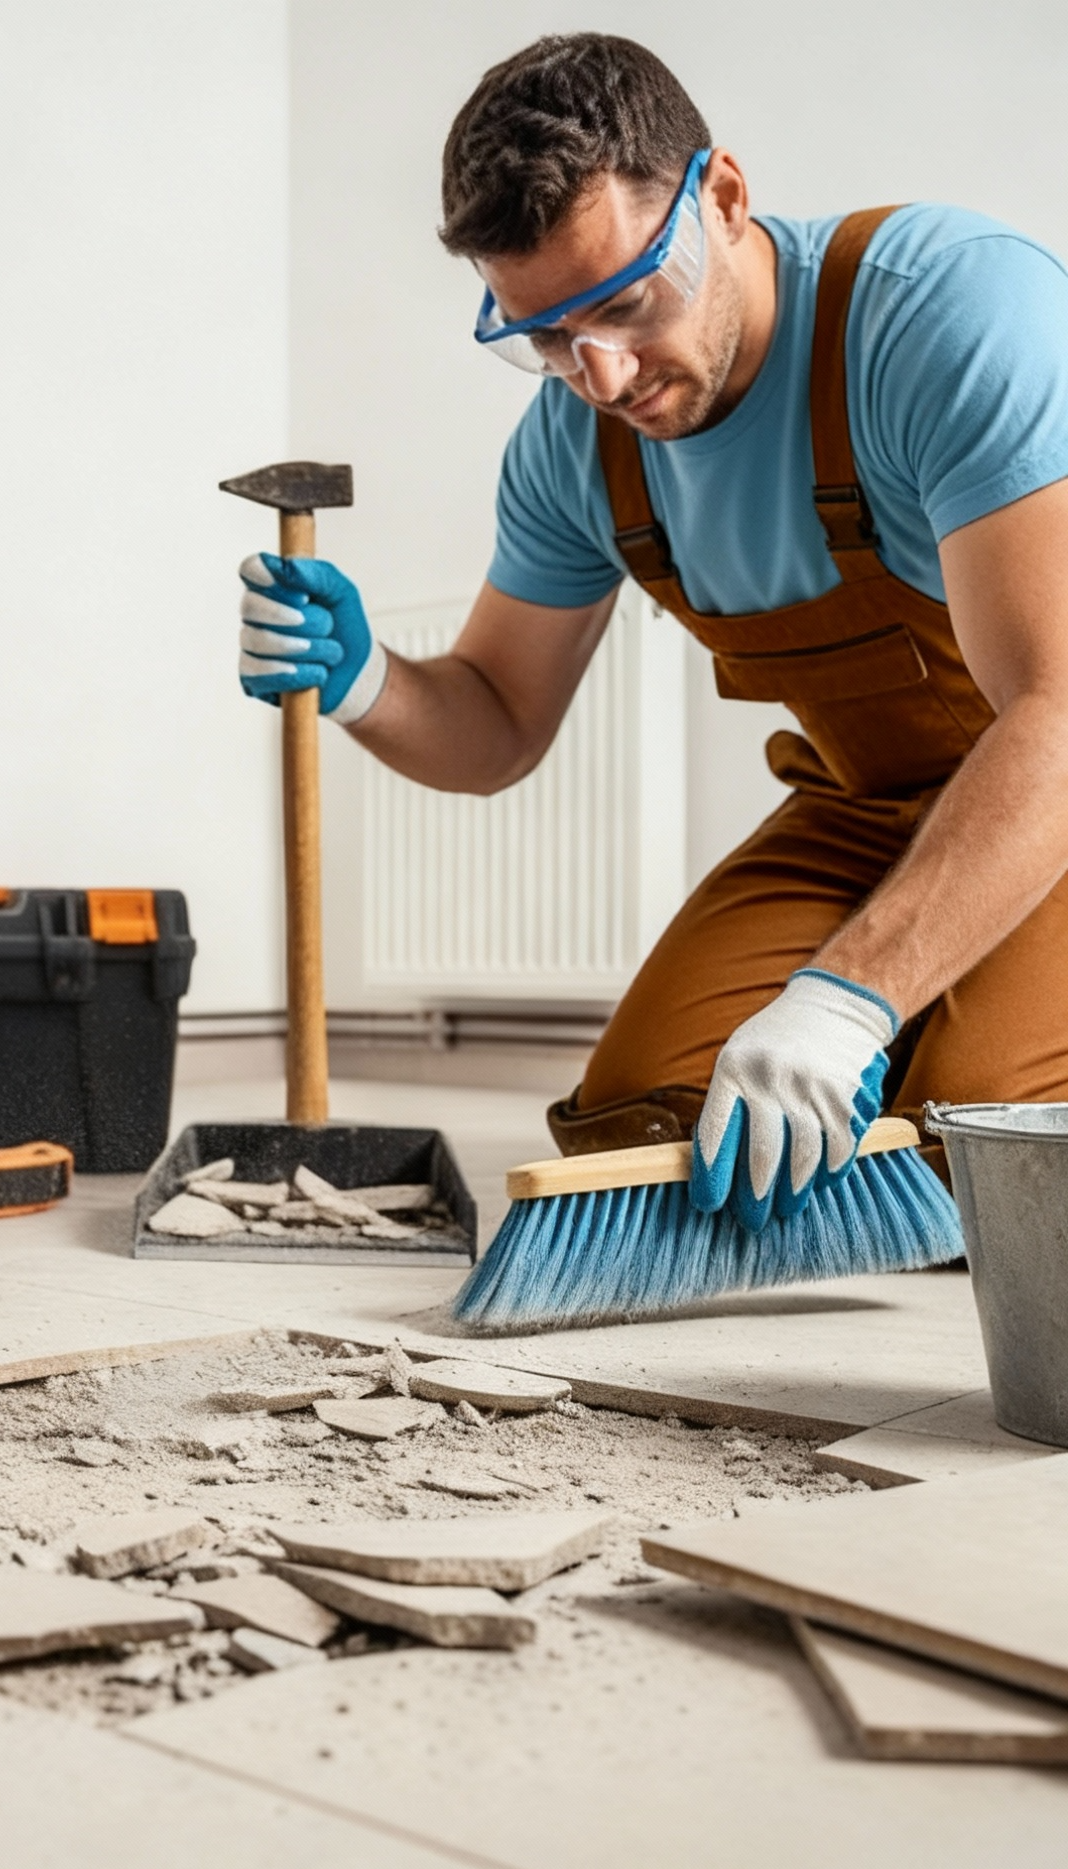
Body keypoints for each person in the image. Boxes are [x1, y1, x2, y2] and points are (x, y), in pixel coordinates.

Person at [237, 33, 1068, 1229]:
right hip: (868, 806)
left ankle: (953, 1034)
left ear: (721, 197)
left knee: (985, 1146)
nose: (602, 374)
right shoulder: (572, 447)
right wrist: (364, 678)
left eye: (625, 302)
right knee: (647, 1119)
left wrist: (844, 998)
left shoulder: (944, 314)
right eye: (543, 335)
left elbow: (1051, 711)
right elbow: (495, 722)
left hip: (1045, 772)